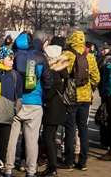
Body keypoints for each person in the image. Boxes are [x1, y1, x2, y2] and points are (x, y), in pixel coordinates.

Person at [4, 33, 52, 177]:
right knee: (32, 141)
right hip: (35, 103)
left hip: (15, 102)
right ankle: (31, 171)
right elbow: (48, 82)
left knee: (11, 140)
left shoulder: (12, 56)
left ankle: (7, 170)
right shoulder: (40, 57)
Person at [62, 31, 100, 172]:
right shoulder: (90, 57)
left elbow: (57, 75)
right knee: (83, 128)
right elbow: (96, 78)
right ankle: (83, 161)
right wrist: (90, 89)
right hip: (85, 98)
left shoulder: (67, 55)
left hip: (71, 97)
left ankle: (69, 160)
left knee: (70, 128)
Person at [0, 47, 19, 177]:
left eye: (12, 59)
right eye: (9, 59)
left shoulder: (14, 75)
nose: (12, 62)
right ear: (1, 58)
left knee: (2, 146)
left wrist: (14, 110)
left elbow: (19, 95)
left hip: (7, 116)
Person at [41, 38, 69, 176]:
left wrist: (43, 97)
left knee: (48, 137)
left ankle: (52, 168)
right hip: (58, 107)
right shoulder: (61, 71)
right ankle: (52, 167)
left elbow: (50, 91)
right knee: (51, 137)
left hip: (52, 108)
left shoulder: (52, 72)